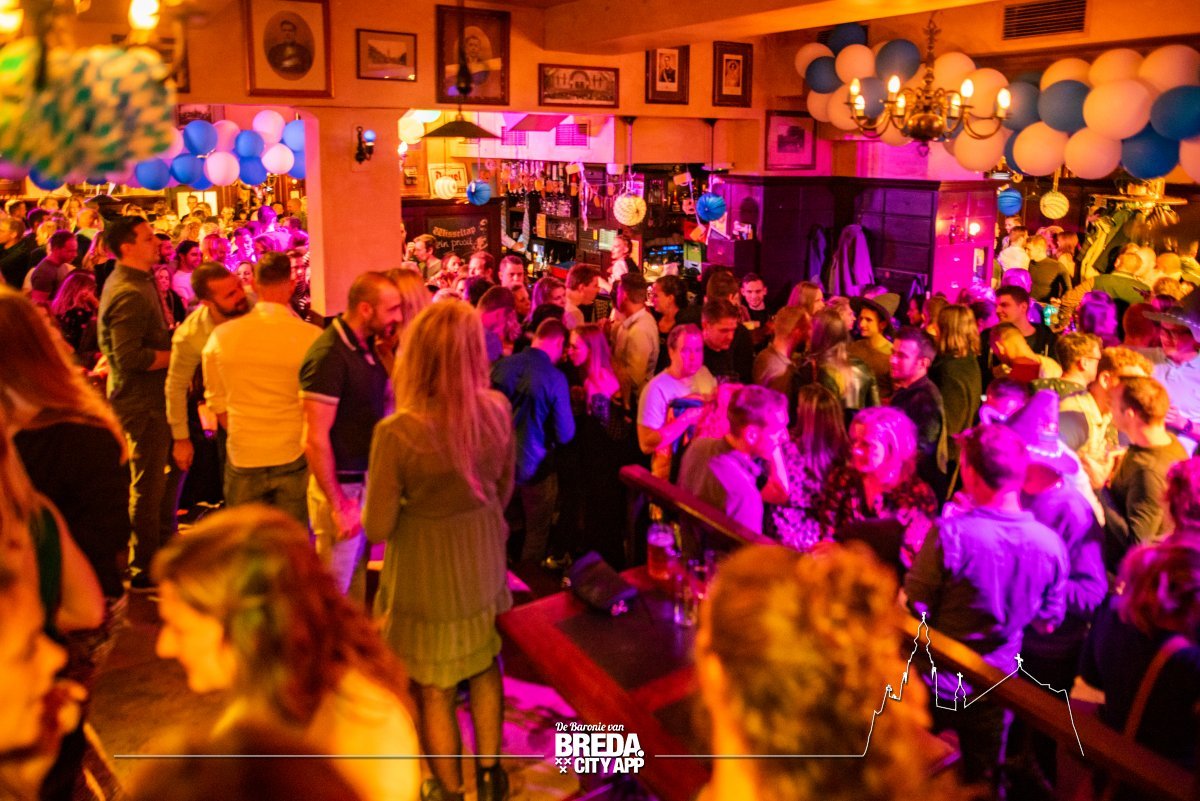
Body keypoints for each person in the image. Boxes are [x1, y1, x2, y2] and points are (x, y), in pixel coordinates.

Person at [152, 506, 420, 801]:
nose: (164, 647)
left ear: (251, 631)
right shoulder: (271, 699)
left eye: (181, 629)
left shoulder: (358, 742)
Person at [363, 302, 515, 801]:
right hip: (482, 555)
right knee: (484, 661)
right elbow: (504, 489)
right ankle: (491, 777)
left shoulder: (397, 432)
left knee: (435, 685)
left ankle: (448, 791)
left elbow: (377, 525)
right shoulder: (496, 409)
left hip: (425, 567)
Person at [905, 424, 1068, 789]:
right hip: (996, 686)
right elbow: (1047, 622)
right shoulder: (1050, 546)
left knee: (913, 776)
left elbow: (917, 606)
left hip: (933, 681)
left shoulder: (950, 534)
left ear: (971, 473)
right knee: (985, 782)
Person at [300, 273, 401, 602]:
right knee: (333, 589)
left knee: (355, 579)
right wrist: (338, 505)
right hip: (342, 487)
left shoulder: (365, 347)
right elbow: (314, 438)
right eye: (392, 309)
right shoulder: (329, 354)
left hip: (362, 481)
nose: (399, 317)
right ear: (366, 309)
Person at [202, 253, 322, 523]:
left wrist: (244, 431)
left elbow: (216, 403)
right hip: (292, 451)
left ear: (254, 285)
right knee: (291, 540)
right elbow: (316, 405)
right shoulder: (311, 338)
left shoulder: (222, 337)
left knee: (245, 539)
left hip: (244, 451)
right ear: (292, 285)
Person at [97, 215, 178, 590]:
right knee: (147, 484)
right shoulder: (128, 291)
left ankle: (160, 552)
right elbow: (129, 357)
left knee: (160, 480)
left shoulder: (139, 281)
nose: (157, 242)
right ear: (127, 247)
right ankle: (144, 566)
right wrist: (176, 354)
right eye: (147, 238)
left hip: (151, 397)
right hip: (141, 401)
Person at [1080, 539, 1200, 771]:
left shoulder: (1111, 612)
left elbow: (1090, 676)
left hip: (1113, 752)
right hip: (1165, 774)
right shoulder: (1189, 660)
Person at [491, 318, 575, 564]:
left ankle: (498, 573)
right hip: (536, 469)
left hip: (499, 465)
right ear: (558, 343)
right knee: (536, 533)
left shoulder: (502, 366)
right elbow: (565, 433)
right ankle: (528, 582)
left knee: (500, 526)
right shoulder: (555, 378)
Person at [818, 406, 937, 566]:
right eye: (854, 442)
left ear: (892, 449)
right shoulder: (843, 479)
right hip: (841, 572)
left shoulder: (917, 496)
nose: (856, 451)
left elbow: (910, 558)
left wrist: (844, 553)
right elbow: (826, 533)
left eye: (867, 445)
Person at [676, 385, 789, 536]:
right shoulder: (745, 495)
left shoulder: (697, 447)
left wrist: (771, 437)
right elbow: (746, 552)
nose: (785, 437)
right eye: (777, 430)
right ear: (751, 435)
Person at [1103, 376, 1189, 570]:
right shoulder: (1168, 441)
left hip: (1122, 574)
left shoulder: (1148, 472)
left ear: (1130, 414)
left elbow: (1137, 543)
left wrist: (1099, 489)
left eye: (1112, 404)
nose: (1109, 409)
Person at [564, 324, 632, 567]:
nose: (569, 351)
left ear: (591, 350)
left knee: (602, 519)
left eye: (575, 347)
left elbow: (613, 432)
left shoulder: (602, 382)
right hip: (597, 465)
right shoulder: (591, 377)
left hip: (604, 469)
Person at [769, 384, 847, 551]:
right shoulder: (844, 452)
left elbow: (778, 493)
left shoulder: (787, 447)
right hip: (823, 538)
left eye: (798, 407)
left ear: (802, 415)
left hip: (785, 535)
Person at [638, 324, 718, 479]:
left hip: (700, 472)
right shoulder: (657, 388)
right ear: (671, 352)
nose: (694, 358)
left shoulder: (704, 374)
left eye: (698, 350)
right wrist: (686, 418)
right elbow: (646, 444)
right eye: (686, 350)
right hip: (670, 476)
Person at [889, 327, 946, 496]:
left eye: (901, 356)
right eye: (893, 353)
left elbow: (921, 453)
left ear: (923, 363)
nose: (892, 360)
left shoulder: (925, 399)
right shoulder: (907, 391)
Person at [1147, 291, 1200, 455]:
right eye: (1163, 329)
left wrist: (1183, 423)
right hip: (1148, 455)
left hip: (1184, 462)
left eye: (1173, 332)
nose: (1164, 336)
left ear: (1195, 338)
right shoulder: (1149, 363)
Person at [930, 305, 981, 472]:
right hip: (957, 453)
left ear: (946, 329)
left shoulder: (949, 370)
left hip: (946, 458)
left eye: (938, 324)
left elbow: (950, 424)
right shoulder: (969, 361)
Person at [611, 272, 659, 407]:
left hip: (633, 405)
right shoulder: (635, 321)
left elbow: (633, 379)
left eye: (618, 292)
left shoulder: (639, 330)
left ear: (624, 295)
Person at [50, 270, 101, 368]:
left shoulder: (57, 313)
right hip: (83, 364)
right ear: (83, 292)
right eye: (93, 289)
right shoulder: (82, 314)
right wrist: (96, 305)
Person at [848, 296, 895, 401]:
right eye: (861, 318)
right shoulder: (853, 347)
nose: (862, 324)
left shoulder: (892, 354)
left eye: (868, 320)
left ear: (882, 324)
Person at [700, 298, 753, 383]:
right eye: (724, 331)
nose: (730, 337)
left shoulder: (741, 336)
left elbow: (746, 380)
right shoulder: (693, 351)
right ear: (705, 325)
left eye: (733, 330)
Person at [753, 305, 803, 392]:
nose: (810, 333)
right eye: (808, 328)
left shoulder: (764, 355)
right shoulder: (780, 370)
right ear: (797, 332)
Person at [27, 230, 78, 308]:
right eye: (70, 251)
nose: (75, 255)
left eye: (75, 250)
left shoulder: (62, 265)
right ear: (56, 249)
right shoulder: (44, 273)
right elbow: (39, 305)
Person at [649, 273, 688, 371]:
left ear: (670, 298)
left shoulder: (683, 325)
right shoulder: (654, 318)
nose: (652, 299)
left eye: (656, 295)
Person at [1028, 235, 1072, 302]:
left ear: (1039, 249)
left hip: (1047, 307)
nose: (1026, 252)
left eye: (1029, 249)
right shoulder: (1029, 263)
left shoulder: (1057, 266)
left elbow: (1068, 289)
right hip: (1030, 305)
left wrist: (1059, 300)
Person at [563, 263, 600, 330]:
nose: (598, 290)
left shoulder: (559, 301)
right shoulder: (574, 313)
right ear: (581, 288)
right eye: (595, 286)